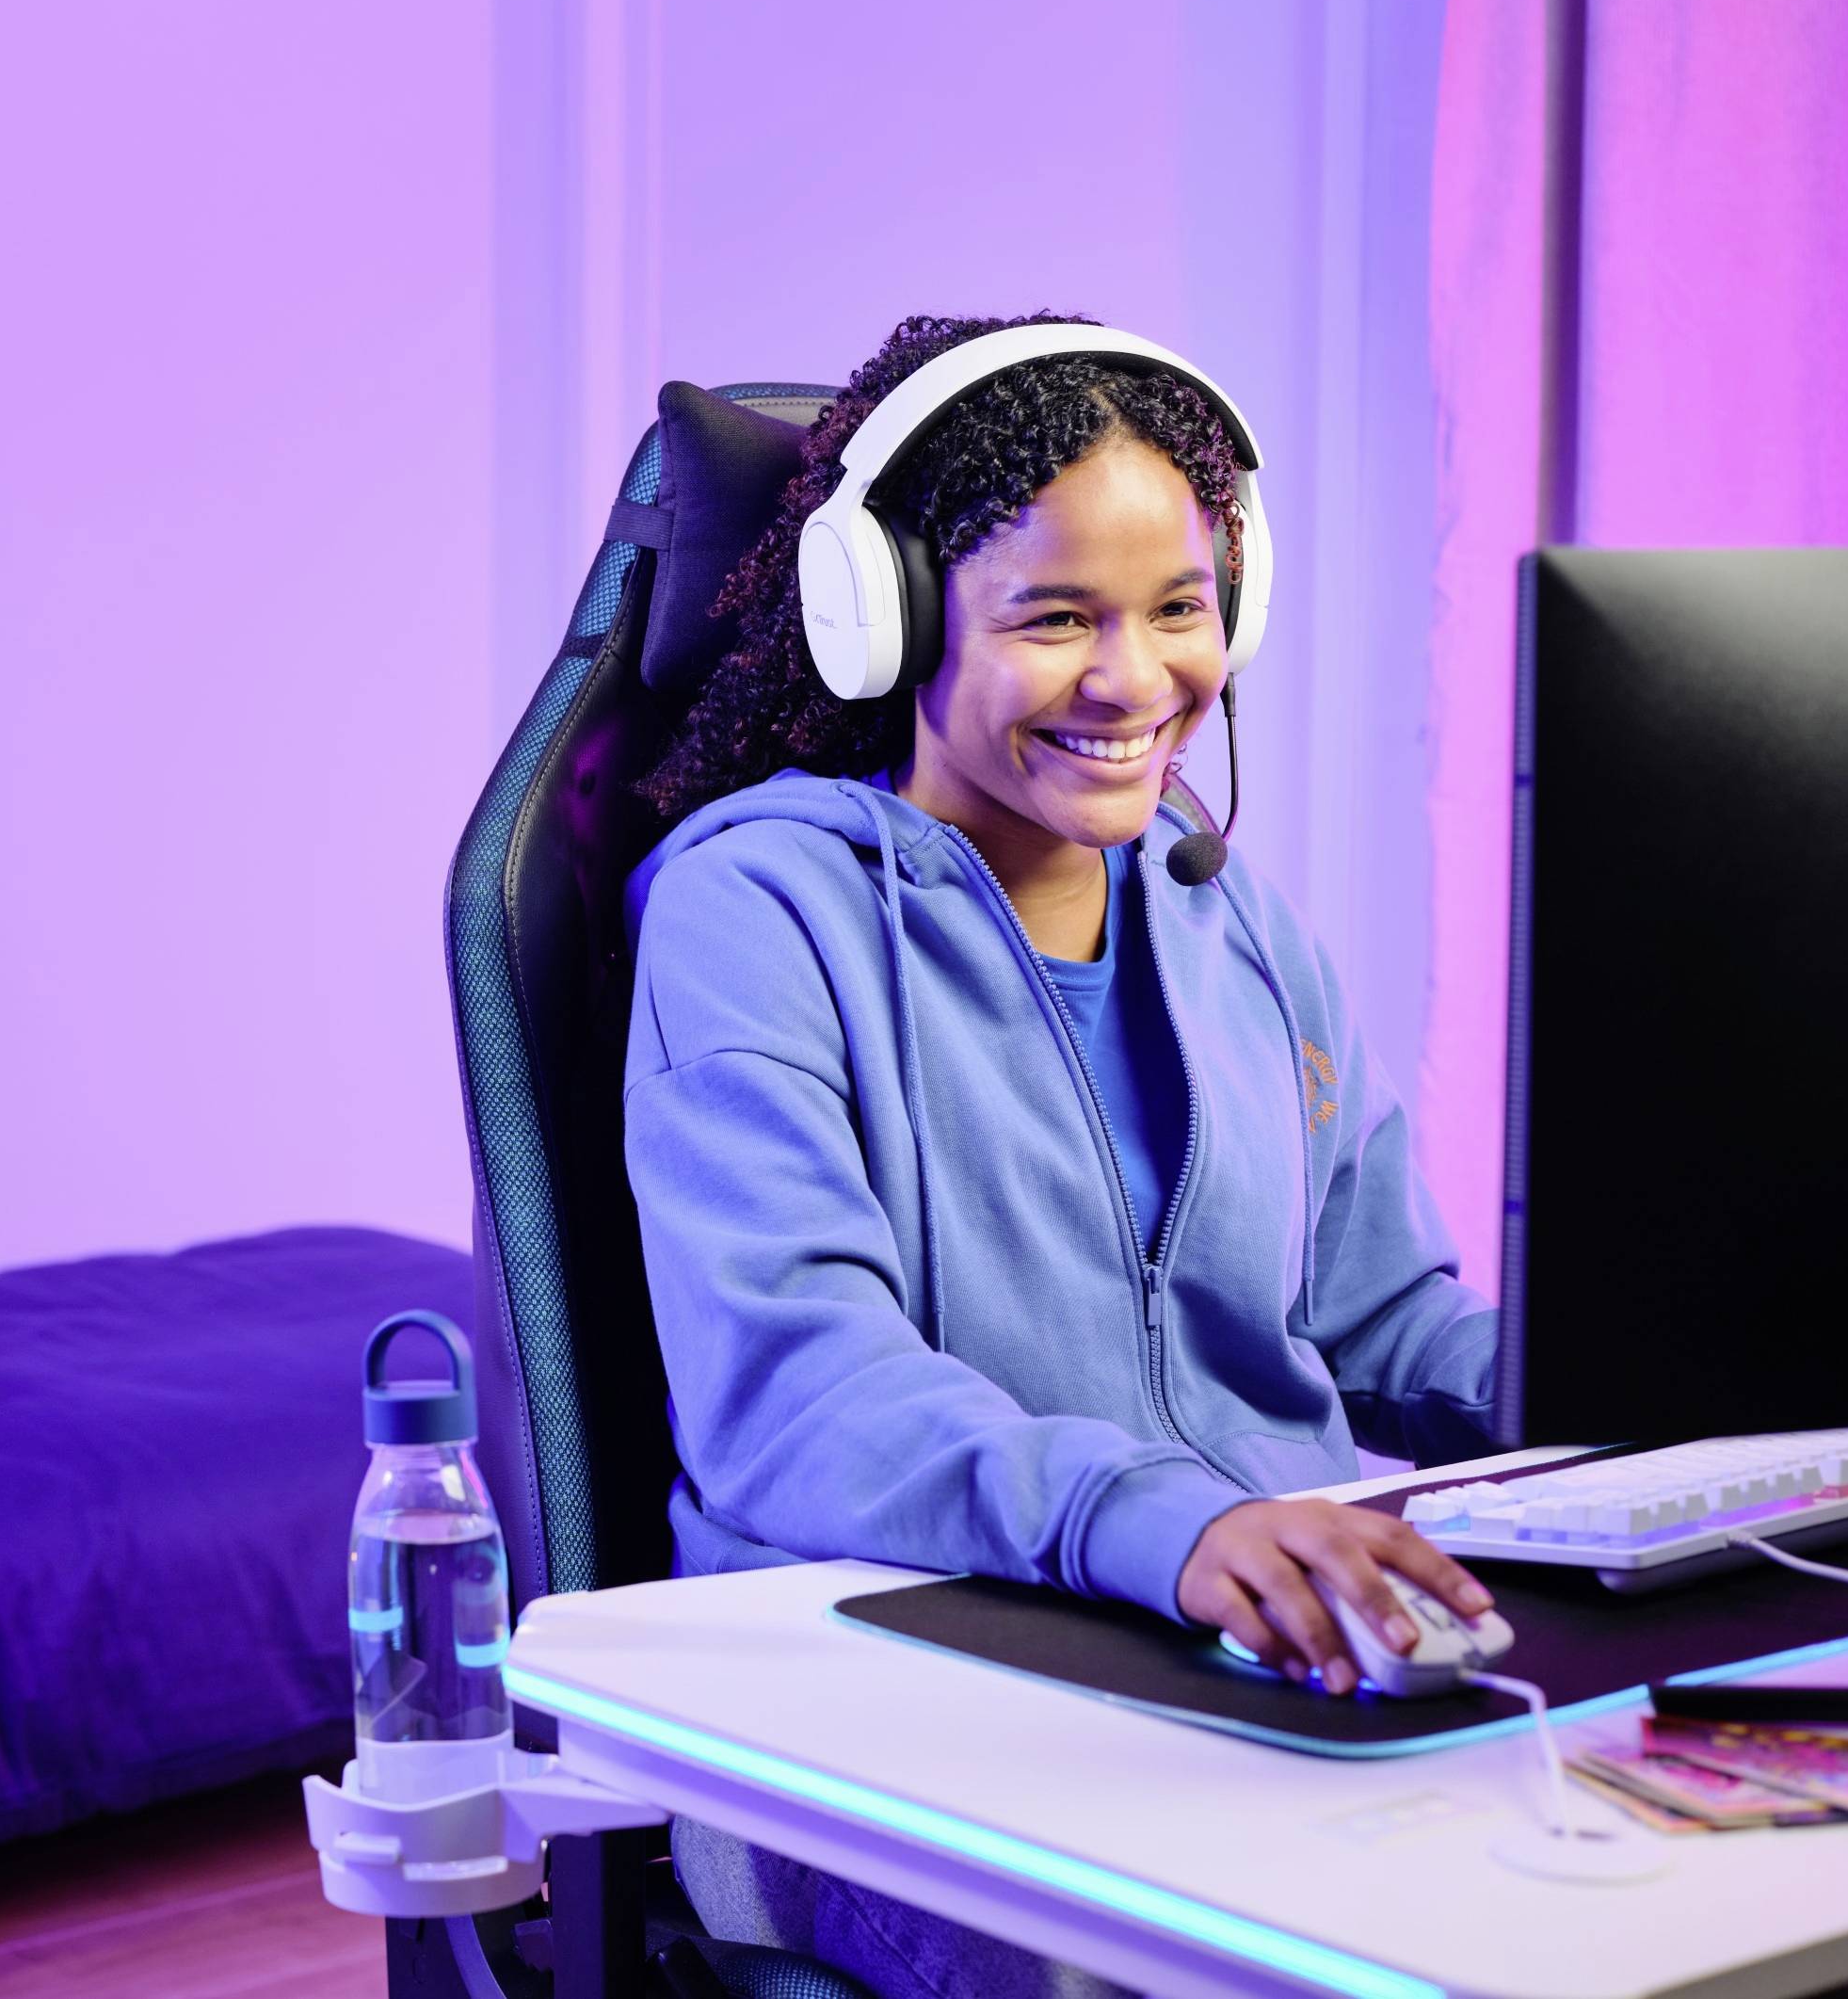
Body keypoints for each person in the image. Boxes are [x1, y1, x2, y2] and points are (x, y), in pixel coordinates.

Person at [625, 313, 1500, 1998]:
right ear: (879, 619)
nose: (1137, 676)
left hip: (1237, 1677)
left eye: (1179, 605)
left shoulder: (1225, 908)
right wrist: (1162, 1519)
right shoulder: (758, 911)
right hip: (858, 1724)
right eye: (1056, 618)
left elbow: (1393, 1329)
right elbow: (800, 1391)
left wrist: (1678, 1376)